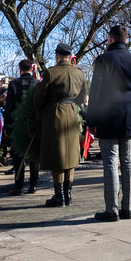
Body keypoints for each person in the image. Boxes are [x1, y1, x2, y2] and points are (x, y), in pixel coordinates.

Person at [87, 25, 131, 221]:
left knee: (110, 162)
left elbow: (95, 92)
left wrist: (92, 120)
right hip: (129, 115)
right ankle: (128, 208)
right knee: (128, 162)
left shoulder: (103, 59)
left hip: (108, 114)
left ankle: (111, 210)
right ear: (126, 40)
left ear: (110, 39)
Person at [33, 44, 87, 206]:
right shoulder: (79, 73)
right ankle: (68, 194)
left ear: (57, 56)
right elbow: (82, 98)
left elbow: (38, 98)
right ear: (70, 57)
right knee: (70, 154)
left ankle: (59, 196)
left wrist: (41, 114)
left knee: (57, 154)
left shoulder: (50, 72)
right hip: (71, 114)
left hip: (54, 114)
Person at [6, 60, 40, 195]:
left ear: (20, 69)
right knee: (33, 156)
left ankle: (18, 187)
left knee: (18, 156)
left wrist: (7, 126)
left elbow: (9, 106)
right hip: (33, 124)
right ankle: (33, 185)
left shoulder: (13, 84)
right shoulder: (37, 84)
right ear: (32, 69)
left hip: (17, 124)